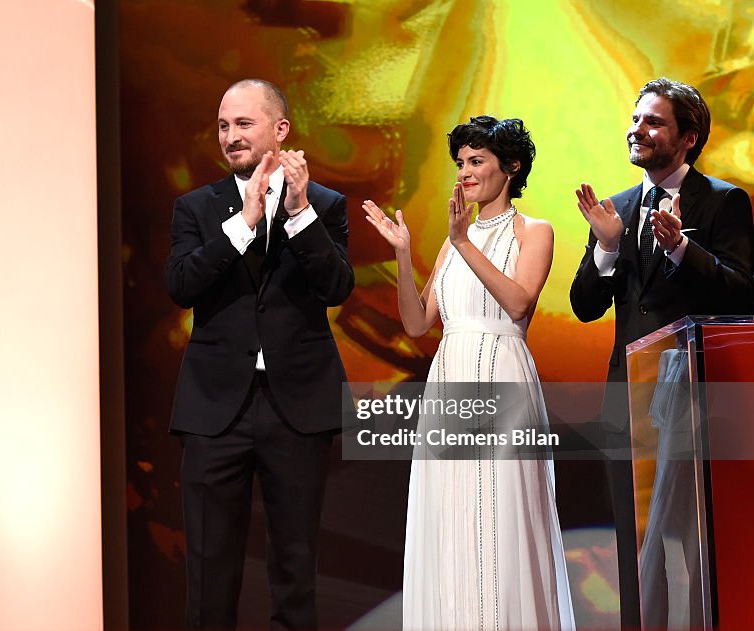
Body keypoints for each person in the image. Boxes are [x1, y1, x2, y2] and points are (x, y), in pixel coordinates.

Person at [364, 116, 575, 630]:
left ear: (512, 167)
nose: (465, 173)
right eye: (460, 164)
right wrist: (402, 252)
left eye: (476, 162)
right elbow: (417, 325)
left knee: (500, 517)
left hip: (502, 375)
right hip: (450, 381)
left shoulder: (535, 231)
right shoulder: (451, 241)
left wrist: (462, 242)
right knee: (453, 516)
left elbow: (519, 302)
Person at [165, 78, 354, 629]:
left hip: (297, 407)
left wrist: (297, 213)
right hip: (213, 408)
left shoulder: (324, 205)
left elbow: (336, 288)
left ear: (280, 129)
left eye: (243, 124)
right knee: (208, 568)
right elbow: (181, 284)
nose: (230, 136)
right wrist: (243, 224)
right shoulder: (197, 208)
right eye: (223, 126)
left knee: (295, 567)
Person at [569, 77, 754, 629]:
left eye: (653, 122)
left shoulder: (723, 201)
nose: (637, 130)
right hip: (628, 398)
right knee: (633, 540)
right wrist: (605, 245)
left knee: (694, 543)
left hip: (696, 397)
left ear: (689, 137)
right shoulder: (618, 207)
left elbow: (743, 291)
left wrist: (680, 247)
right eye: (635, 119)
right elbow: (583, 306)